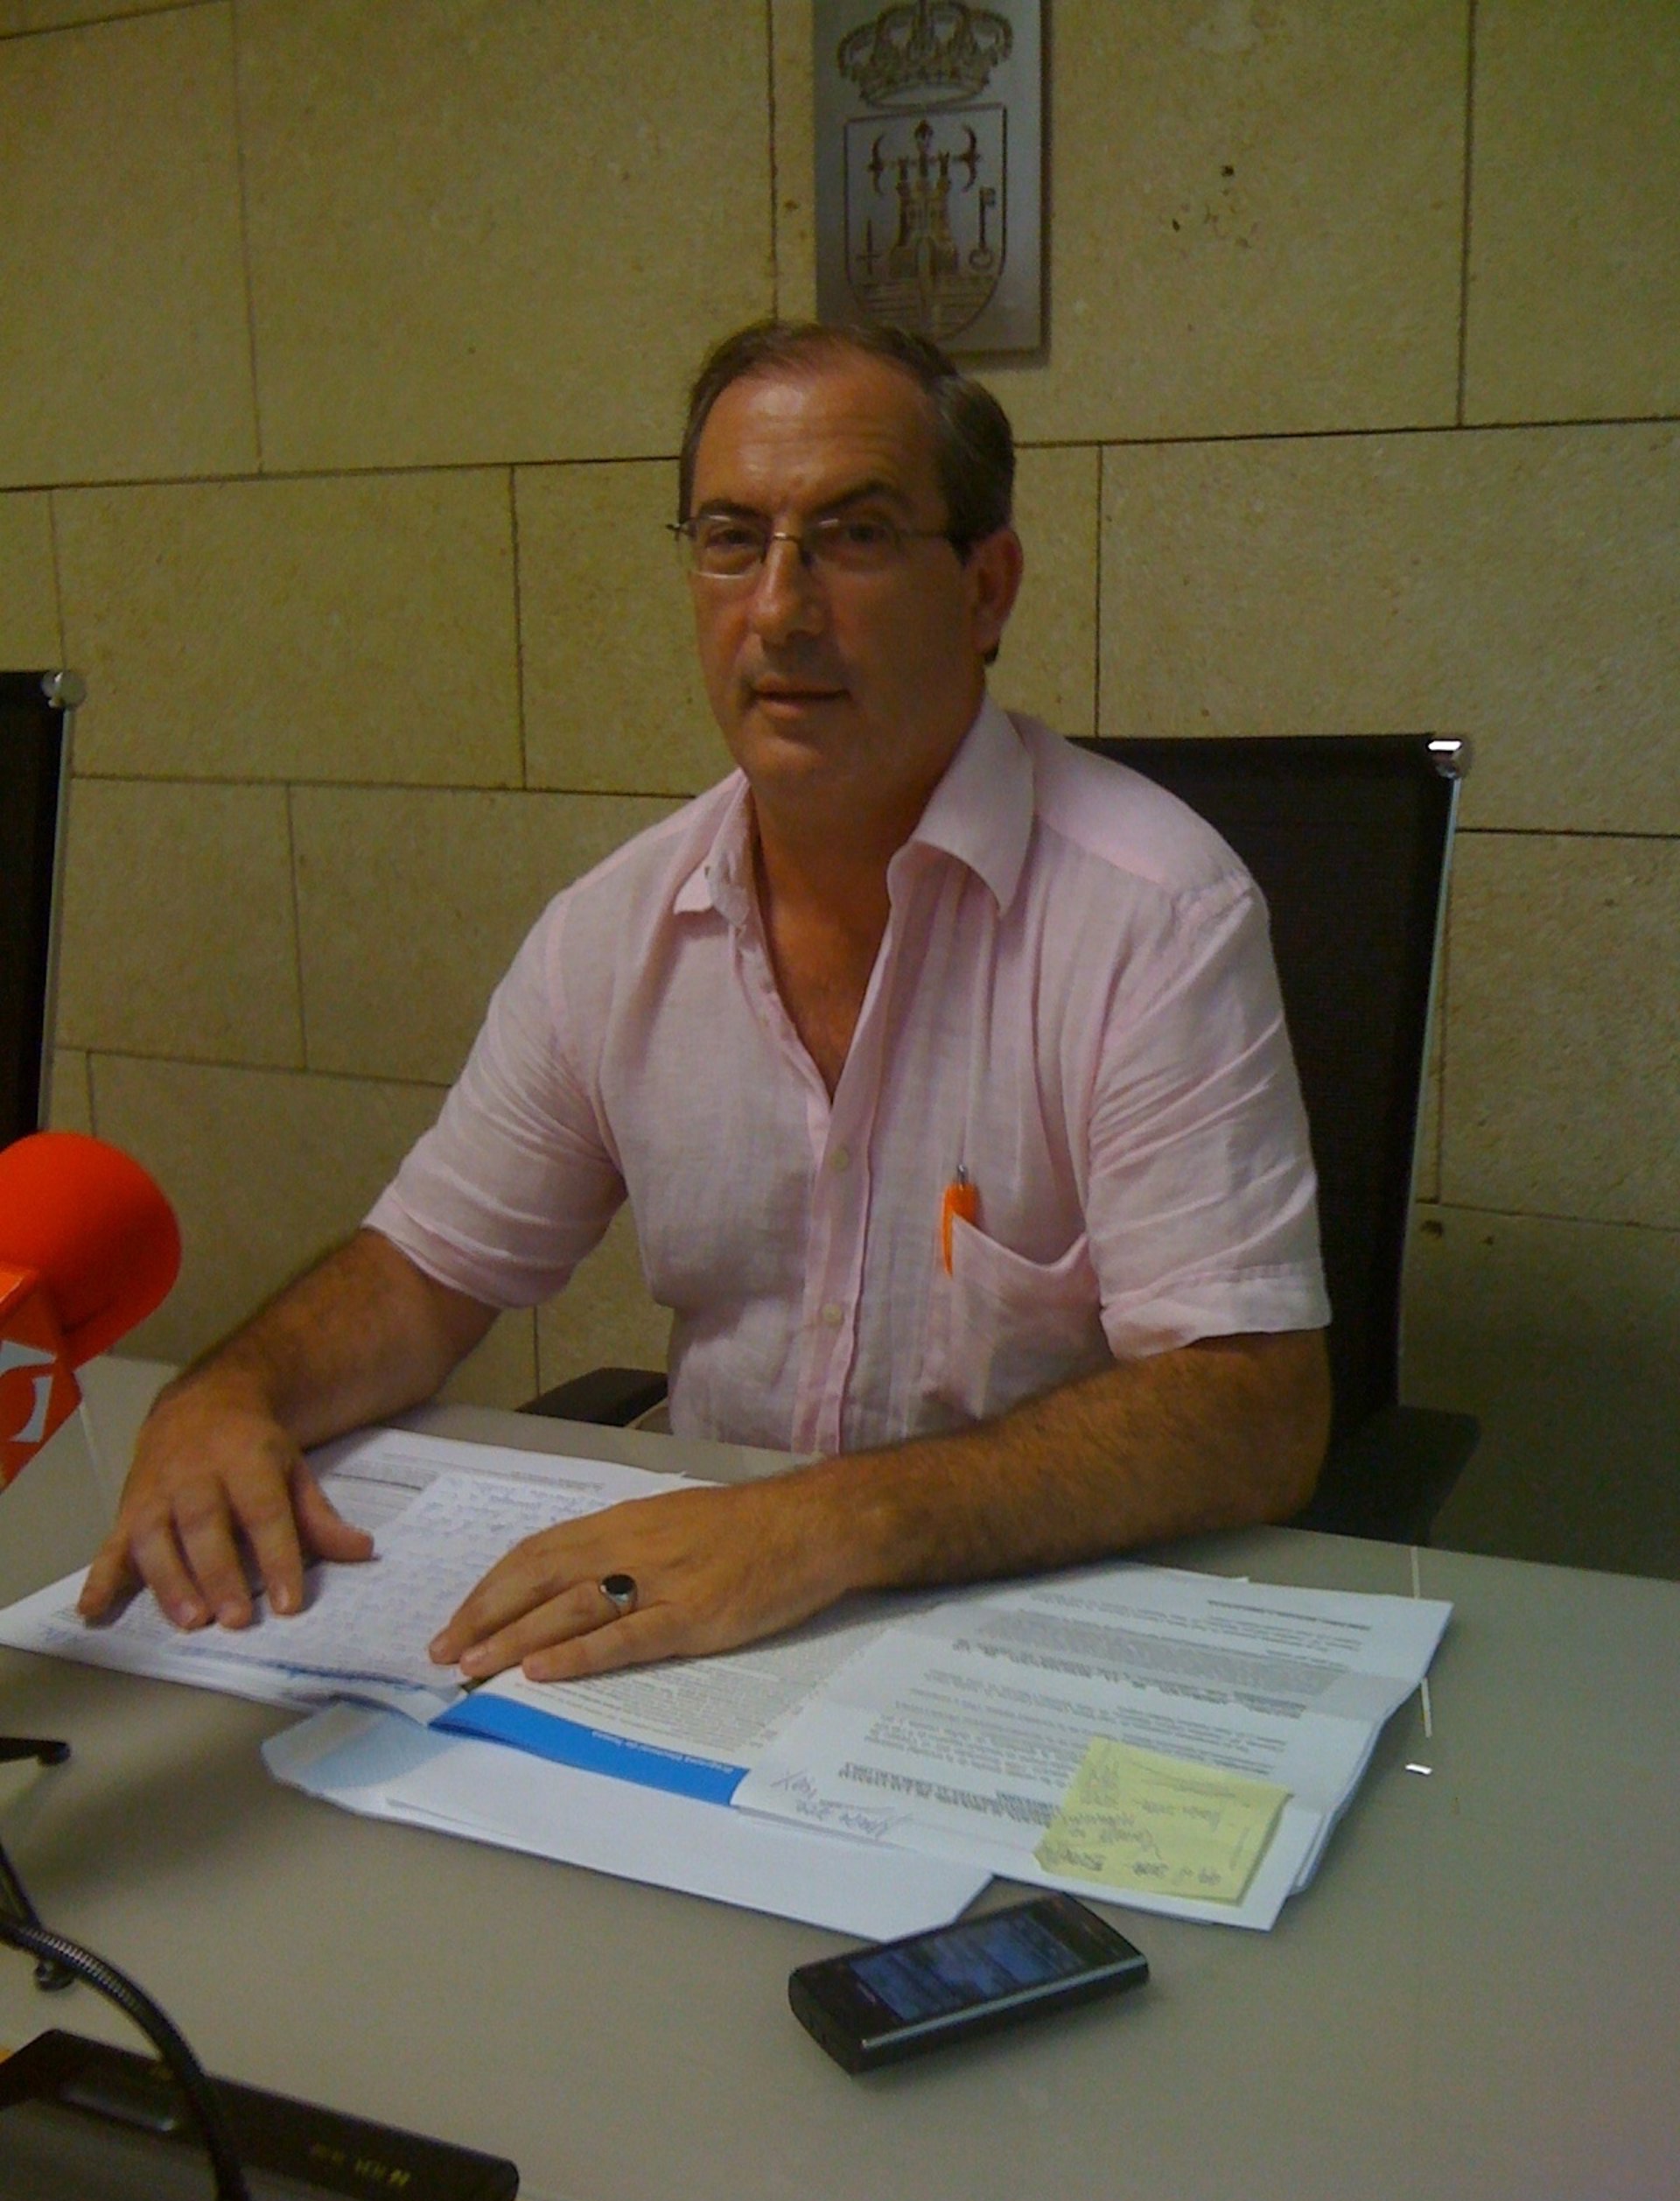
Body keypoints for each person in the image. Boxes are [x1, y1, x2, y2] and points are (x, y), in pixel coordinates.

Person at [80, 319, 1331, 1682]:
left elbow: (1256, 1416)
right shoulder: (616, 928)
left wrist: (822, 1527)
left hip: (1029, 1636)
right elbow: (424, 1278)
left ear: (986, 589)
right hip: (706, 1645)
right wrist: (231, 1391)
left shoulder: (1154, 915)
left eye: (855, 536)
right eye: (732, 539)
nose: (779, 610)